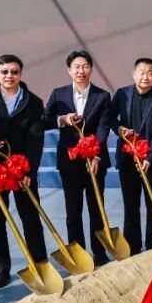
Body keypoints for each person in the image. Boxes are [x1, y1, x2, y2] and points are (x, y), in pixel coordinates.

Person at [0, 54, 48, 289]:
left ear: (20, 74)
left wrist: (30, 172)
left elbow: (36, 139)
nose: (9, 76)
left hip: (22, 169)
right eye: (4, 72)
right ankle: (2, 270)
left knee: (31, 218)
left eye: (14, 72)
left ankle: (39, 264)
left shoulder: (33, 102)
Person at [44, 50, 112, 266]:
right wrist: (63, 119)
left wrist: (96, 155)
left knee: (96, 208)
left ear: (91, 69)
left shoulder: (103, 96)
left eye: (85, 66)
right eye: (76, 67)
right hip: (69, 161)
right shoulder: (58, 94)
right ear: (69, 70)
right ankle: (78, 253)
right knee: (72, 211)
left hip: (95, 162)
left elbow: (103, 128)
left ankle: (99, 253)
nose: (81, 71)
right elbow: (44, 120)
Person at [107, 58, 152, 255]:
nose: (145, 76)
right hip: (128, 160)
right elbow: (109, 117)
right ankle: (132, 247)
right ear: (134, 74)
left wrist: (149, 157)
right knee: (130, 206)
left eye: (149, 73)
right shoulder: (122, 94)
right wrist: (119, 129)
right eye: (141, 72)